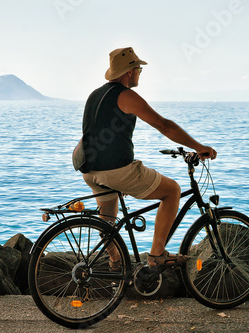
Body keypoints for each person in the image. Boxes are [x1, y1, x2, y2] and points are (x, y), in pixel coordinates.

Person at [79, 47, 217, 269]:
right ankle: (156, 255)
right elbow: (164, 125)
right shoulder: (126, 95)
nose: (140, 73)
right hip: (117, 170)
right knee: (172, 191)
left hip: (90, 170)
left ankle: (116, 263)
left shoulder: (94, 95)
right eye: (139, 69)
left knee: (108, 222)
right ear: (130, 72)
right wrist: (199, 147)